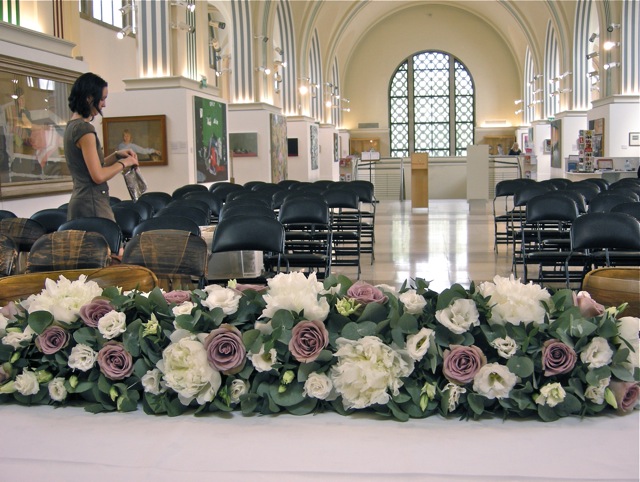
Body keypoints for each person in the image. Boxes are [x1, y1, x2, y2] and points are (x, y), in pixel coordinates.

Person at [64, 72, 138, 222]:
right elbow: (98, 176)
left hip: (80, 201)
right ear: (90, 98)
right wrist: (125, 163)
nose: (104, 104)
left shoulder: (72, 126)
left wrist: (117, 155)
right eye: (103, 99)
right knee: (112, 245)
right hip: (92, 203)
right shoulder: (84, 129)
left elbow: (92, 166)